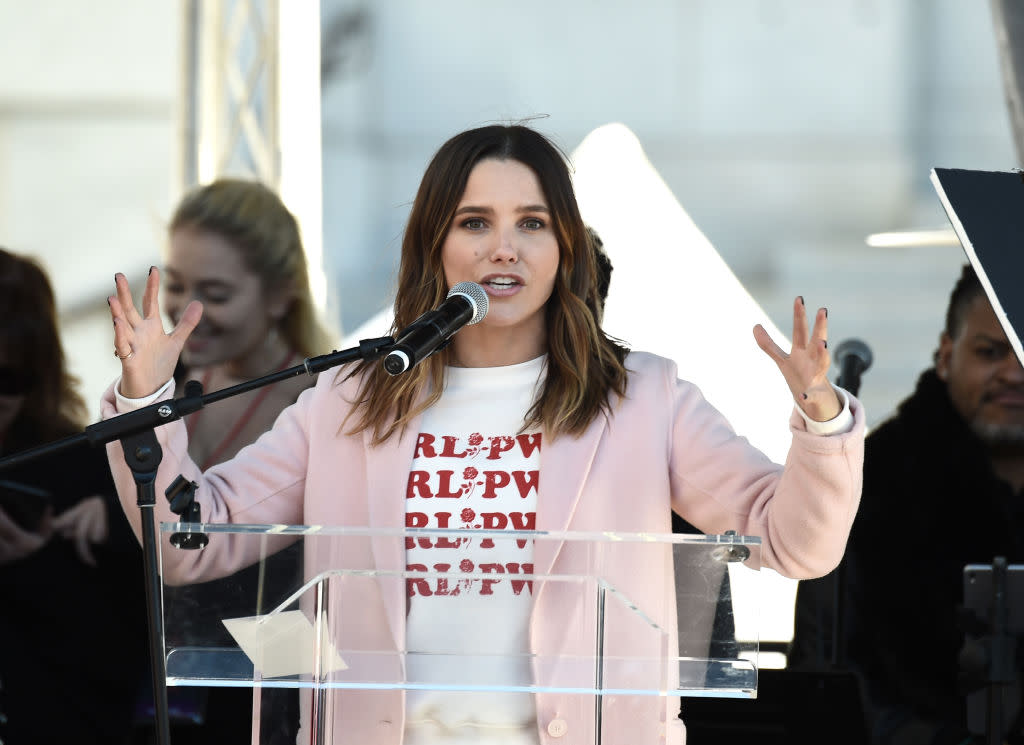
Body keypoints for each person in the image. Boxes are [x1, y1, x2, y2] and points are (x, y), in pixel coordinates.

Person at [103, 124, 865, 744]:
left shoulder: (644, 398)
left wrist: (822, 423)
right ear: (436, 243)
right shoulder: (349, 399)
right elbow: (184, 539)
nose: (505, 247)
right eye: (475, 223)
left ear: (563, 246)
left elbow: (794, 543)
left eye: (531, 224)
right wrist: (145, 396)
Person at [129, 178, 336, 745]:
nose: (188, 312)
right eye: (175, 285)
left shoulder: (323, 401)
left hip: (270, 695)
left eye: (215, 295)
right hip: (161, 687)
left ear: (280, 294)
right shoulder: (164, 391)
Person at [841, 264, 1024, 745]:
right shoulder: (875, 478)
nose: (1013, 372)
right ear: (946, 356)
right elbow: (839, 678)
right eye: (990, 352)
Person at [0, 247, 149, 744]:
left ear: (38, 373)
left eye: (9, 379)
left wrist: (37, 565)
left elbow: (120, 662)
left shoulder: (80, 466)